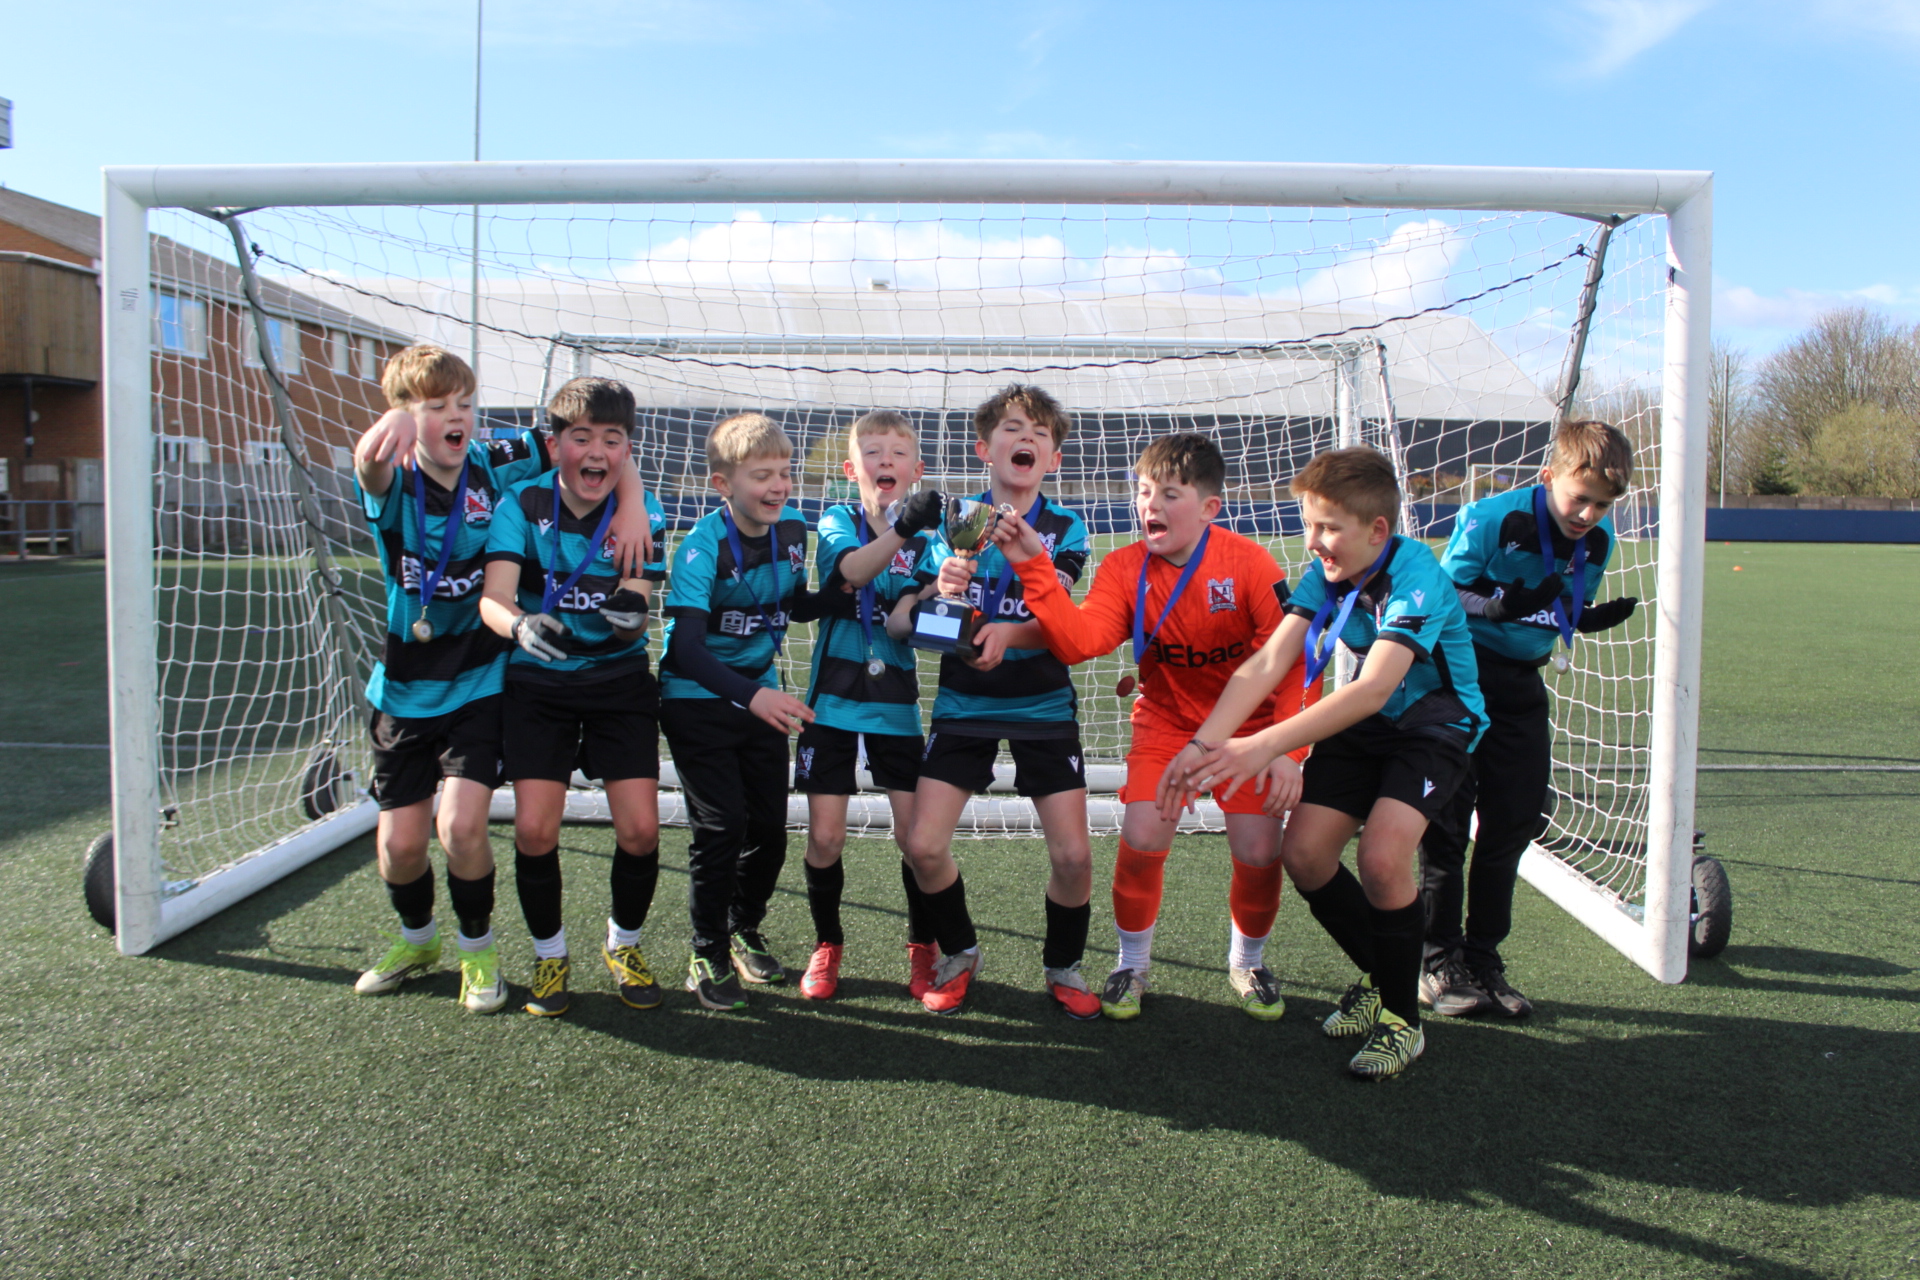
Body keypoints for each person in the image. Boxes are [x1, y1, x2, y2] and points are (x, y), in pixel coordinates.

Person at [1159, 446, 1485, 1079]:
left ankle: (1402, 1023)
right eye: (1309, 524)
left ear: (1377, 531)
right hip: (1372, 727)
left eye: (1328, 527)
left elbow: (1373, 688)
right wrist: (1202, 745)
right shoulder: (1327, 574)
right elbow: (1266, 663)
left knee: (1383, 856)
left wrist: (1265, 745)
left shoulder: (1417, 575)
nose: (1313, 542)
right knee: (1305, 855)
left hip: (1436, 726)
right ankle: (1385, 976)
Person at [349, 346, 648, 1013]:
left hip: (483, 679)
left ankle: (478, 955)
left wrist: (632, 503)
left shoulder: (494, 461)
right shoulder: (394, 479)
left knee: (460, 829)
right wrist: (383, 438)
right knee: (399, 847)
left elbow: (591, 449)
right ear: (404, 416)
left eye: (463, 404)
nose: (456, 418)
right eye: (435, 408)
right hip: (404, 687)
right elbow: (368, 468)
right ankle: (417, 939)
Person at [988, 432, 1318, 1021]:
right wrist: (1033, 565)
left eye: (1170, 494)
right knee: (1142, 834)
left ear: (1210, 507)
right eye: (1143, 492)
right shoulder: (1123, 568)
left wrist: (1288, 751)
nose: (1151, 506)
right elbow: (1078, 642)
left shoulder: (1249, 563)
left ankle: (1248, 961)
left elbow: (1294, 663)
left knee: (1259, 848)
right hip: (1166, 721)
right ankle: (1132, 963)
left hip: (1252, 729)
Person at [1418, 420, 1639, 1018]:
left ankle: (1484, 960)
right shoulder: (1493, 519)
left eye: (1603, 503)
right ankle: (1438, 962)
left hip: (1520, 686)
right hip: (1457, 679)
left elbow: (1561, 606)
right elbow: (1442, 593)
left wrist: (1582, 618)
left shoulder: (1596, 542)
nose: (1589, 513)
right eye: (1579, 497)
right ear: (1549, 476)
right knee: (1446, 824)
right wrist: (1495, 604)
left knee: (1513, 822)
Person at [893, 384, 1098, 1018]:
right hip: (963, 705)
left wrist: (1010, 634)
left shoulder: (1066, 527)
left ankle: (1063, 964)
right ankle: (959, 952)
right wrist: (941, 597)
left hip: (1042, 705)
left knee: (1073, 854)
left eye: (1040, 433)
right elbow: (913, 628)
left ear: (1055, 458)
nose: (1026, 439)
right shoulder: (954, 523)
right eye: (1012, 429)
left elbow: (1060, 618)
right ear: (985, 448)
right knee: (922, 846)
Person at [479, 377, 667, 1018]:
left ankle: (625, 944)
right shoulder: (519, 503)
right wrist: (519, 626)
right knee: (533, 830)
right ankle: (550, 955)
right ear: (554, 443)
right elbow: (494, 598)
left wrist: (632, 609)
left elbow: (639, 597)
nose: (597, 452)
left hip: (618, 684)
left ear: (627, 448)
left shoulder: (644, 511)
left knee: (641, 831)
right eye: (581, 437)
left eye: (612, 440)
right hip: (539, 687)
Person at [658, 412, 829, 1011]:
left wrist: (855, 584)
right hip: (696, 703)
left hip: (758, 701)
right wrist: (754, 696)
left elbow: (796, 603)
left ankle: (741, 927)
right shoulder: (700, 548)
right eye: (762, 475)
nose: (778, 485)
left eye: (784, 472)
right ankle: (704, 947)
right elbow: (684, 649)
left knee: (770, 832)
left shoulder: (793, 532)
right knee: (722, 827)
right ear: (722, 484)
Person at [792, 411, 946, 999]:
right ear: (849, 468)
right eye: (872, 452)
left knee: (914, 840)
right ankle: (826, 942)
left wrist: (936, 591)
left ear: (916, 469)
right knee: (826, 837)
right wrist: (902, 528)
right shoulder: (837, 520)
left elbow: (911, 625)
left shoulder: (933, 539)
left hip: (895, 707)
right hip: (830, 704)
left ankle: (922, 946)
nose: (885, 461)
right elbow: (850, 574)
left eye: (897, 453)